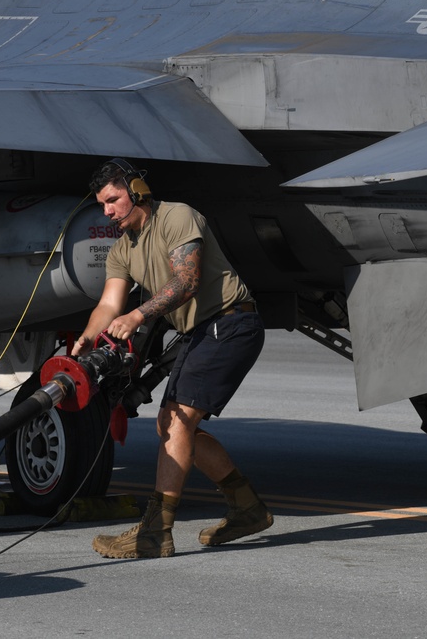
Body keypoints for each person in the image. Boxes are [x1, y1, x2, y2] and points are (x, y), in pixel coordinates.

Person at [73, 158, 270, 559]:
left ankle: (155, 532)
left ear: (137, 192)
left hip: (230, 324)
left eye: (113, 200)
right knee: (173, 423)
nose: (107, 211)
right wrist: (87, 338)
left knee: (176, 422)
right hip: (201, 333)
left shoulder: (177, 216)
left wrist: (139, 314)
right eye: (102, 205)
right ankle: (247, 507)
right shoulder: (121, 250)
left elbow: (187, 280)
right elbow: (109, 303)